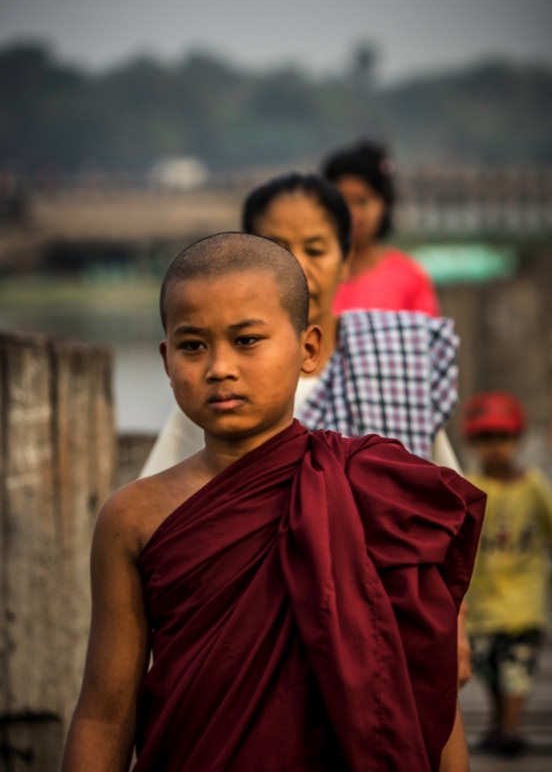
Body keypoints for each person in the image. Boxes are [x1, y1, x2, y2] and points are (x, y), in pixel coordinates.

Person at [62, 233, 485, 772]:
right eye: (193, 346)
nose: (219, 368)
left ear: (309, 349)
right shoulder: (134, 516)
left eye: (247, 340)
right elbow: (104, 713)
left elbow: (421, 681)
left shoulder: (370, 487)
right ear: (167, 360)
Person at [142, 173, 458, 477]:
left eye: (316, 250)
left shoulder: (398, 364)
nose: (298, 267)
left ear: (345, 259)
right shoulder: (221, 390)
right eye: (277, 250)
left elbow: (440, 497)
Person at [462, 391, 552, 757]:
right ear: (473, 443)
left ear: (517, 439)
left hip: (523, 599)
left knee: (517, 667)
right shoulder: (468, 485)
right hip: (482, 601)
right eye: (485, 439)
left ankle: (511, 726)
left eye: (502, 438)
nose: (494, 448)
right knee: (487, 667)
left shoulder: (533, 485)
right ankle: (500, 721)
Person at [321, 139, 440, 316]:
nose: (352, 214)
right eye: (342, 201)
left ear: (385, 204)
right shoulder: (315, 275)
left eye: (362, 201)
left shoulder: (409, 278)